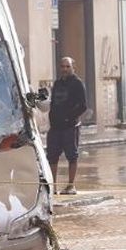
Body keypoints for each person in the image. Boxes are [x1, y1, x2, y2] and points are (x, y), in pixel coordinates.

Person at [43, 57, 88, 195]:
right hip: (55, 127)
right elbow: (53, 103)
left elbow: (83, 106)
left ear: (73, 67)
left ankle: (70, 185)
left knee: (72, 156)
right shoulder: (57, 84)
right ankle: (53, 186)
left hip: (70, 127)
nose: (64, 69)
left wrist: (70, 117)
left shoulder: (78, 84)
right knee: (52, 157)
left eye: (67, 66)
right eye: (62, 66)